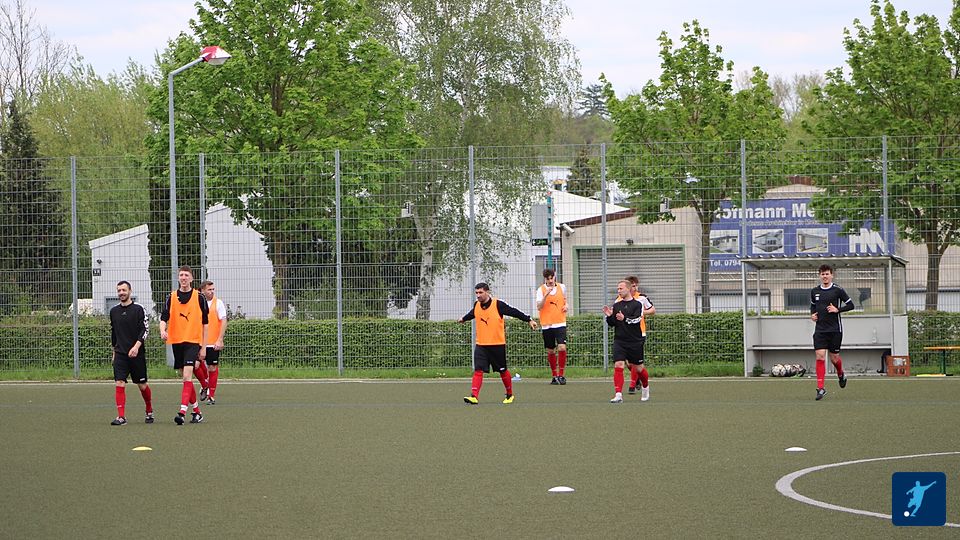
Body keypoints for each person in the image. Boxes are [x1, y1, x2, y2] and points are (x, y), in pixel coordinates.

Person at [459, 282, 538, 404]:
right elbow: (472, 313)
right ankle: (474, 396)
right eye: (476, 293)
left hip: (497, 345)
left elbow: (514, 312)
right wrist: (464, 319)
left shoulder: (498, 304)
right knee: (478, 370)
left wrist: (529, 320)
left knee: (502, 370)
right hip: (481, 345)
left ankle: (509, 395)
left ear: (487, 292)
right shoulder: (477, 305)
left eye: (481, 292)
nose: (478, 295)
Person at [159, 265, 209, 424]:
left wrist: (203, 347)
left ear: (191, 278)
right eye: (181, 275)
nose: (184, 278)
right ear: (178, 278)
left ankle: (182, 412)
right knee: (186, 378)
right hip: (177, 342)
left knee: (187, 375)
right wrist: (162, 330)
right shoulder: (171, 297)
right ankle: (197, 412)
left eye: (186, 275)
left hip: (193, 341)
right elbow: (163, 317)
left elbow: (205, 324)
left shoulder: (199, 297)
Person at [108, 281, 154, 425]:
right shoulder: (114, 311)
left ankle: (149, 409)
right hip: (120, 354)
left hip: (136, 354)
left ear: (130, 291)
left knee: (142, 385)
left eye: (124, 290)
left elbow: (145, 330)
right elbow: (114, 333)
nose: (121, 293)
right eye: (119, 290)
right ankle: (121, 417)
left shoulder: (139, 309)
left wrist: (136, 347)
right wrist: (114, 352)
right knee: (119, 382)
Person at [603, 280, 654, 403]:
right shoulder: (617, 305)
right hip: (620, 341)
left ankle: (645, 387)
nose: (619, 291)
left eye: (621, 288)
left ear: (628, 289)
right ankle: (618, 395)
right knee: (618, 365)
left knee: (639, 368)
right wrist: (609, 316)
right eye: (618, 289)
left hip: (635, 341)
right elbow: (613, 323)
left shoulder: (637, 305)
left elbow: (636, 320)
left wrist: (624, 318)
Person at [810, 264, 854, 401]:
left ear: (832, 275)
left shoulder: (838, 290)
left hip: (835, 330)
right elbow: (813, 306)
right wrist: (813, 315)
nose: (825, 276)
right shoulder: (814, 291)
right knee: (820, 357)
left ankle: (841, 374)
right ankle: (820, 388)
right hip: (820, 330)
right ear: (819, 275)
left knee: (834, 359)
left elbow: (851, 305)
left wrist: (837, 310)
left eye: (827, 274)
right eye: (822, 274)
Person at [620, 276, 655, 394]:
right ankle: (638, 378)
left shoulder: (642, 297)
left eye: (636, 285)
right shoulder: (620, 299)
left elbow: (652, 310)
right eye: (633, 286)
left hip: (639, 333)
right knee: (628, 362)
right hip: (624, 333)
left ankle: (632, 384)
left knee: (635, 361)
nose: (635, 288)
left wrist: (640, 312)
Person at [195, 280, 228, 405]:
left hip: (213, 342)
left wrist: (220, 339)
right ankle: (205, 384)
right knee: (196, 365)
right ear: (202, 290)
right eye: (209, 289)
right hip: (198, 341)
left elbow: (223, 321)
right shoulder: (196, 302)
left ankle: (211, 395)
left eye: (213, 289)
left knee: (212, 367)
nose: (212, 291)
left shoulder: (218, 303)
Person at [535, 268, 568, 385]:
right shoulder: (541, 290)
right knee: (550, 350)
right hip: (547, 324)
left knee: (562, 347)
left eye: (551, 277)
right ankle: (554, 375)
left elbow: (565, 300)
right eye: (547, 278)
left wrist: (566, 306)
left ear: (555, 276)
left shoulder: (562, 287)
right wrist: (546, 295)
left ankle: (561, 375)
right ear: (545, 279)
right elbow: (539, 307)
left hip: (560, 322)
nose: (550, 280)